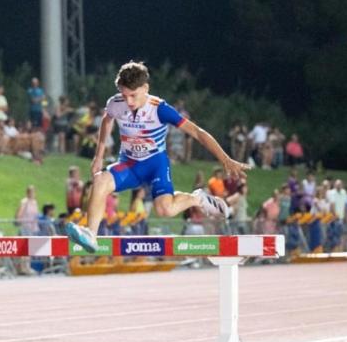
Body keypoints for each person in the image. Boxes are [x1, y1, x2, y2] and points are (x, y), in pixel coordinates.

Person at [66, 61, 248, 252]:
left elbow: (197, 133)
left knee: (165, 210)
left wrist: (225, 159)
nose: (128, 101)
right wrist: (99, 156)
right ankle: (91, 234)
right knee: (100, 180)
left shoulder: (160, 109)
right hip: (129, 164)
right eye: (124, 94)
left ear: (145, 88)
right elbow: (107, 120)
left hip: (155, 165)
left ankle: (197, 199)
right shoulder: (116, 103)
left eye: (133, 95)